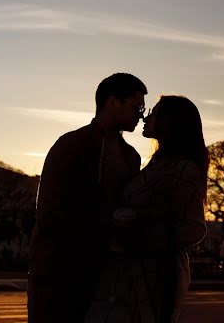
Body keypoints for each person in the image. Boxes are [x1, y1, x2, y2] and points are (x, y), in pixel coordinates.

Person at [28, 73, 148, 323]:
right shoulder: (70, 144)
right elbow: (49, 214)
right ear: (113, 102)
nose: (141, 115)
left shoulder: (131, 156)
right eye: (136, 107)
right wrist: (105, 234)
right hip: (60, 275)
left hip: (104, 276)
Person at [85, 95, 208, 323]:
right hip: (134, 270)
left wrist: (137, 234)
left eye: (153, 111)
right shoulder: (159, 164)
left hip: (154, 274)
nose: (145, 116)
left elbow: (193, 228)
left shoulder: (183, 169)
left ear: (170, 122)